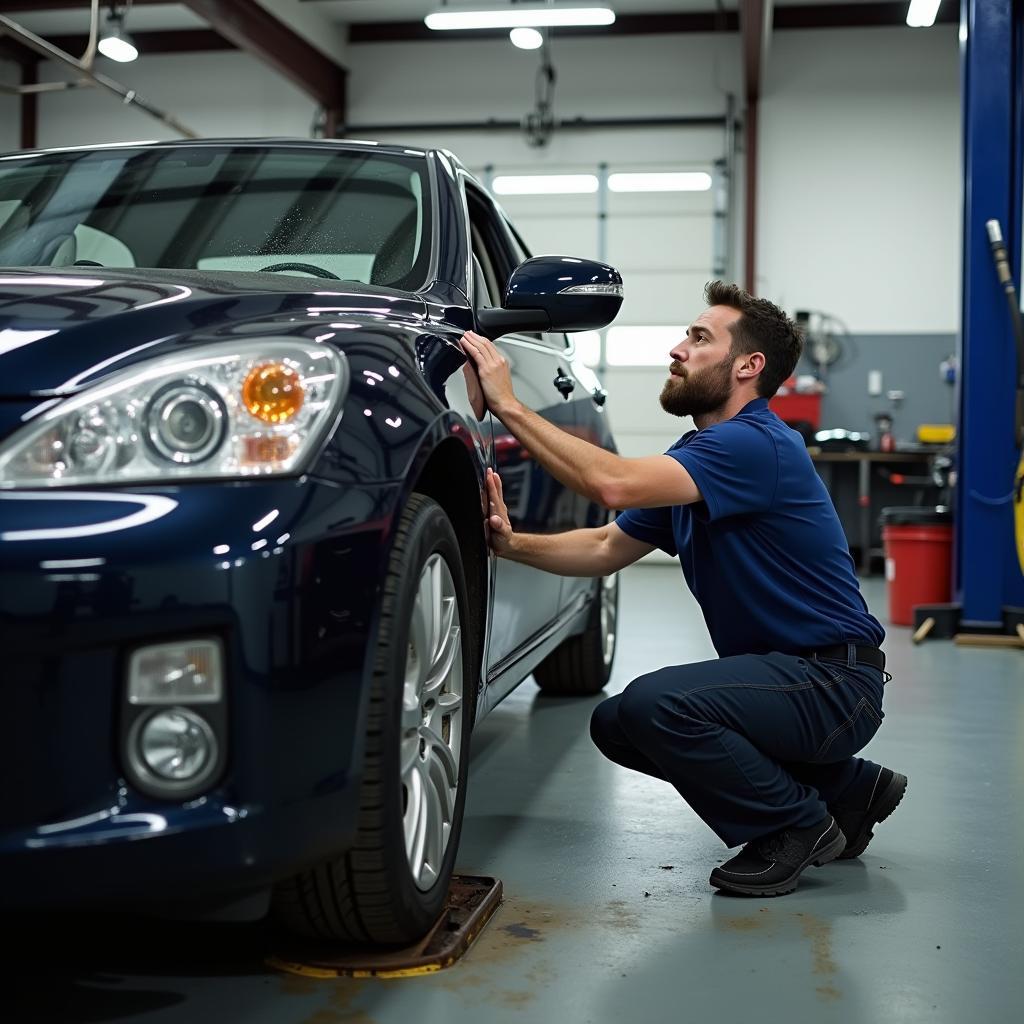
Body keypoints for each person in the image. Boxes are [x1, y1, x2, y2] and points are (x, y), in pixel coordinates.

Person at [459, 280, 907, 898]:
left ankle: (798, 825)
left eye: (699, 338)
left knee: (658, 706)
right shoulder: (702, 456)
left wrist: (509, 403)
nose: (677, 349)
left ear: (749, 366)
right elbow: (606, 546)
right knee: (617, 723)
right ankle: (846, 790)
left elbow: (610, 483)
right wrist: (512, 544)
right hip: (792, 680)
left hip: (832, 683)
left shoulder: (754, 444)